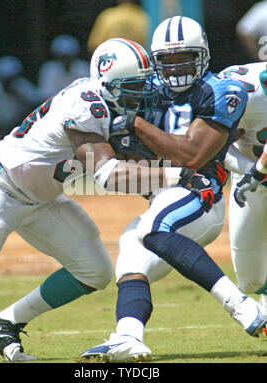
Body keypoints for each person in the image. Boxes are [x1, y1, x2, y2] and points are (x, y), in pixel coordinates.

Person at [0, 38, 202, 362]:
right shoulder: (86, 103)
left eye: (142, 85)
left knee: (94, 271)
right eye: (131, 86)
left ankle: (4, 324)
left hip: (43, 198)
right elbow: (108, 175)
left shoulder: (112, 103)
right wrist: (176, 175)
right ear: (107, 84)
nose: (141, 94)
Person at [80, 16, 267, 363]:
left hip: (200, 194)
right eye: (168, 60)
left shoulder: (222, 90)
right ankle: (128, 337)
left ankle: (245, 310)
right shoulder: (147, 86)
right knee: (130, 250)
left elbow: (192, 154)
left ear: (203, 56)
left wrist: (135, 124)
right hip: (165, 194)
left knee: (153, 227)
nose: (177, 67)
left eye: (185, 58)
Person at [218, 62, 267, 308]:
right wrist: (251, 172)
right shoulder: (240, 89)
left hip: (258, 172)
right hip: (249, 174)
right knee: (250, 279)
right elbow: (216, 143)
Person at [37, 35, 89, 100]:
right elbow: (46, 94)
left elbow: (88, 92)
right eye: (62, 57)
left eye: (69, 56)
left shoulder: (83, 67)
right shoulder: (49, 68)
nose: (66, 60)